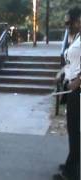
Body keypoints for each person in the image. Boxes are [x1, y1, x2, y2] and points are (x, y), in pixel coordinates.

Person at [53, 7, 81, 180]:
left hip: (78, 91)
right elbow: (72, 60)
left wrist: (77, 81)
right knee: (73, 131)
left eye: (69, 22)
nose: (67, 26)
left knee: (76, 132)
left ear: (79, 20)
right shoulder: (77, 37)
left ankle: (72, 174)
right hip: (72, 90)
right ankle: (71, 162)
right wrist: (62, 72)